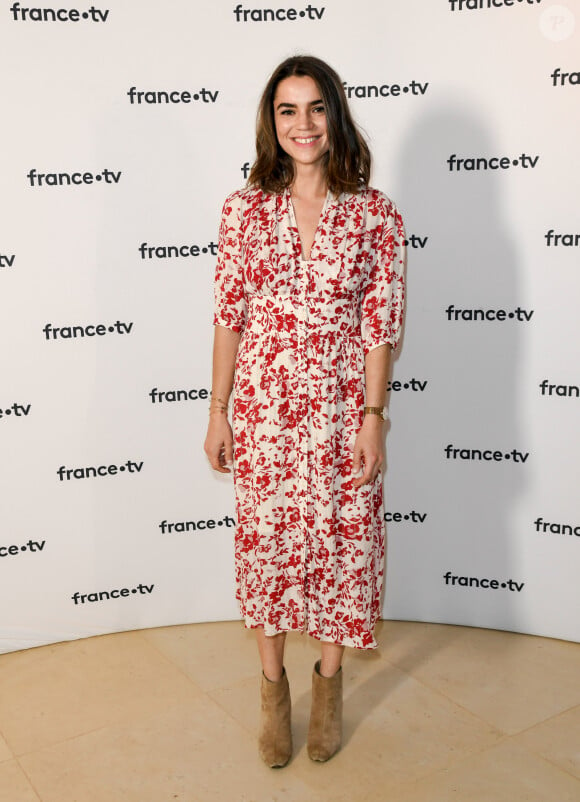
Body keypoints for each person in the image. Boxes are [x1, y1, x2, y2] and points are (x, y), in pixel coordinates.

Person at [204, 55, 405, 767]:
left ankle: (328, 687)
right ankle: (271, 694)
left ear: (335, 115)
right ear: (272, 122)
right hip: (264, 413)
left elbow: (381, 324)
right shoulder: (244, 210)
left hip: (342, 411)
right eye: (288, 110)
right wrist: (219, 408)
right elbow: (230, 314)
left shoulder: (374, 214)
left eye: (316, 107)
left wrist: (374, 416)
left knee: (341, 550)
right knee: (268, 552)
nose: (303, 124)